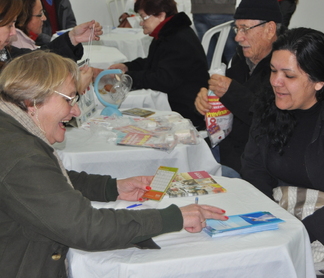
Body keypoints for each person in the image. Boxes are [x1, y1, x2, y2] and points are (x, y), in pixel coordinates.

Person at [0, 50, 228, 277]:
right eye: (69, 99)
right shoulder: (21, 156)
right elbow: (84, 228)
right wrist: (172, 217)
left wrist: (112, 187)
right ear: (32, 101)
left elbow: (46, 181)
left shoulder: (12, 134)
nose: (76, 110)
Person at [241, 27, 324, 277]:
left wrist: (298, 233)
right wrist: (268, 221)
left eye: (288, 75)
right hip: (286, 216)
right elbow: (253, 168)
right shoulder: (271, 103)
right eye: (273, 70)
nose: (276, 82)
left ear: (319, 81)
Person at [194, 0, 283, 174]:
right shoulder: (242, 60)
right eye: (237, 29)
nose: (237, 37)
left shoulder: (284, 68)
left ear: (270, 29)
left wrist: (231, 91)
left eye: (245, 29)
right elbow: (225, 105)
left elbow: (272, 119)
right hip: (227, 151)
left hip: (258, 164)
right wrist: (207, 99)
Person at [108, 0, 209, 129]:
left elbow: (163, 79)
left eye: (144, 17)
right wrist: (128, 66)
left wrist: (127, 77)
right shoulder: (169, 32)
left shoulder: (177, 39)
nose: (141, 22)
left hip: (186, 111)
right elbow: (155, 62)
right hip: (176, 100)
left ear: (161, 15)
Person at [1, 0, 101, 69]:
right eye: (9, 25)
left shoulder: (5, 53)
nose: (13, 32)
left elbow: (36, 59)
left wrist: (72, 38)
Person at [191, 0, 237, 68]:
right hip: (223, 8)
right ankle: (236, 76)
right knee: (232, 54)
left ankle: (210, 77)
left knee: (208, 54)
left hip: (198, 10)